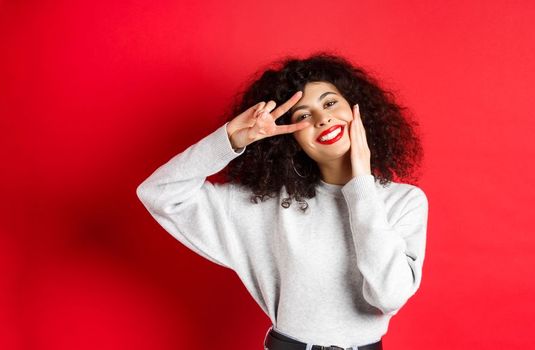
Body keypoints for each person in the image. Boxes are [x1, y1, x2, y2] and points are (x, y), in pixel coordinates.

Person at [136, 53, 428, 350]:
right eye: (303, 115)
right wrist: (231, 140)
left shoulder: (403, 202)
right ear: (292, 138)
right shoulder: (268, 207)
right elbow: (160, 193)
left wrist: (361, 185)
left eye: (330, 103)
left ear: (357, 109)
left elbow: (389, 296)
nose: (322, 118)